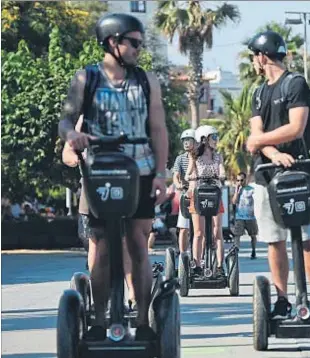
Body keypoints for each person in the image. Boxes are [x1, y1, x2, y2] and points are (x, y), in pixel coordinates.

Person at [58, 13, 168, 340]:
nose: (138, 48)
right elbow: (65, 122)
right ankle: (99, 319)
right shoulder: (86, 79)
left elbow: (158, 130)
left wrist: (161, 173)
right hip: (99, 172)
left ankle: (145, 323)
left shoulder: (146, 80)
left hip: (142, 171)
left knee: (138, 243)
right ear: (112, 42)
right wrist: (72, 137)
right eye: (133, 42)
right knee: (102, 246)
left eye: (140, 43)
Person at [245, 30, 310, 319]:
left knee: (307, 237)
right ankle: (282, 298)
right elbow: (255, 134)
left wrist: (260, 143)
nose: (254, 63)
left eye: (254, 57)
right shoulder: (258, 92)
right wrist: (273, 153)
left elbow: (296, 127)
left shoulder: (295, 84)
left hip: (298, 173)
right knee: (274, 240)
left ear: (262, 56)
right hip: (266, 174)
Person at [62, 116, 137, 310]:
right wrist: (79, 158)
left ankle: (133, 296)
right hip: (93, 187)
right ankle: (99, 304)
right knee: (96, 245)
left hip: (125, 185)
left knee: (125, 241)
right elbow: (68, 153)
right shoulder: (86, 118)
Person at [185, 125, 227, 277]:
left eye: (216, 137)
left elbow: (222, 170)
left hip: (215, 194)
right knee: (198, 232)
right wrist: (190, 177)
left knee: (217, 232)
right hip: (199, 194)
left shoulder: (218, 156)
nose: (216, 140)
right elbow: (189, 173)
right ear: (204, 139)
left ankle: (220, 266)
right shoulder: (194, 156)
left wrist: (221, 175)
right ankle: (196, 265)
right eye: (214, 137)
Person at [172, 129, 197, 256]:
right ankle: (183, 256)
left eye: (189, 140)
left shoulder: (201, 157)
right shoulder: (180, 159)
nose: (186, 143)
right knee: (183, 227)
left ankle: (201, 256)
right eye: (184, 141)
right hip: (186, 195)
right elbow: (176, 176)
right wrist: (178, 184)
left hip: (199, 194)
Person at [231, 172, 259, 259]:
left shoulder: (251, 189)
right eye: (238, 180)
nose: (240, 182)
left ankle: (253, 251)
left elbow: (257, 201)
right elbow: (234, 202)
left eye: (241, 180)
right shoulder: (237, 190)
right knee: (237, 235)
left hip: (251, 217)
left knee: (253, 235)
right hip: (240, 217)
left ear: (245, 180)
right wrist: (236, 192)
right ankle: (236, 251)